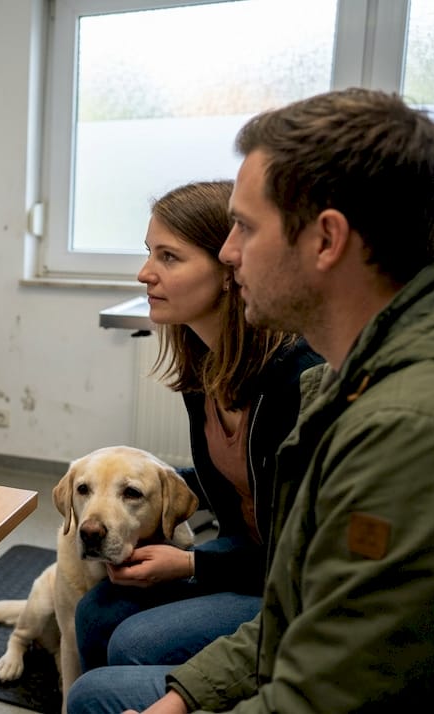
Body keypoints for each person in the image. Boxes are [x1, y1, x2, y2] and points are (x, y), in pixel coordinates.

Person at [68, 87, 434, 713]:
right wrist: (186, 695)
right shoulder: (359, 375)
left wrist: (192, 578)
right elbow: (304, 606)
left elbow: (337, 681)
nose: (232, 253)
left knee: (100, 687)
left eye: (244, 227)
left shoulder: (409, 428)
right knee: (103, 627)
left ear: (326, 240)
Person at [72, 181, 322, 674]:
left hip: (291, 581)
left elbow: (308, 554)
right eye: (149, 253)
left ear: (230, 267)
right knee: (95, 615)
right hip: (246, 551)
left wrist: (193, 565)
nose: (145, 274)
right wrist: (129, 488)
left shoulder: (297, 380)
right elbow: (230, 482)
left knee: (134, 643)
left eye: (169, 257)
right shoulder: (202, 371)